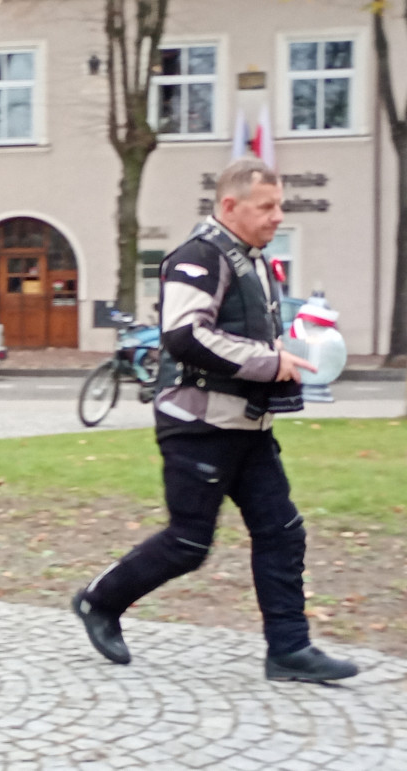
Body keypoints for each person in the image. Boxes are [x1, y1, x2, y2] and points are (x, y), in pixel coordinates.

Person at [72, 158, 358, 683]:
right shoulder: (198, 257)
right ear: (230, 206)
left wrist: (288, 351)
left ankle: (289, 650)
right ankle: (98, 601)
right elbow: (184, 335)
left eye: (280, 205)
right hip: (198, 425)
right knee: (188, 542)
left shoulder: (253, 261)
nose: (278, 216)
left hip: (249, 426)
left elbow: (241, 334)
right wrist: (271, 362)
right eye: (266, 206)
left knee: (283, 531)